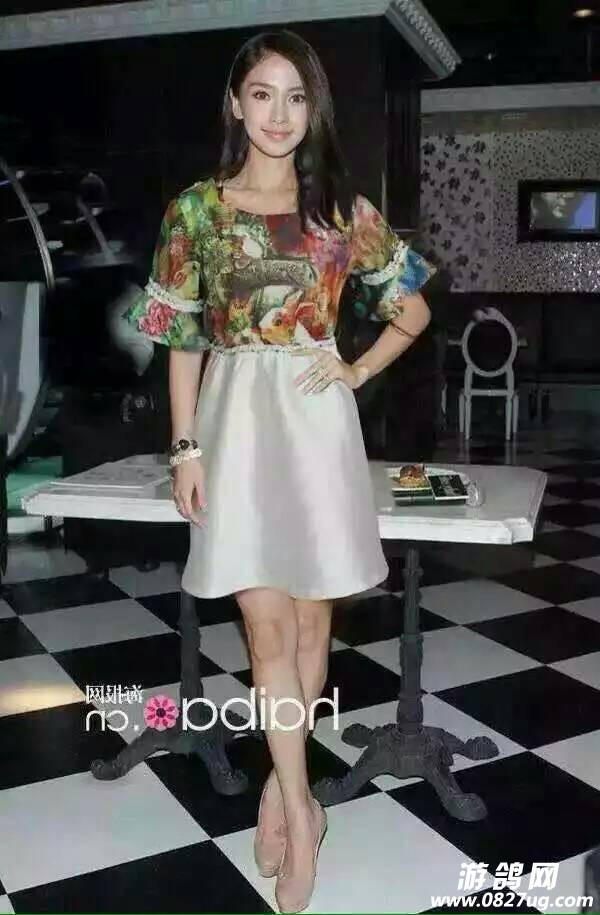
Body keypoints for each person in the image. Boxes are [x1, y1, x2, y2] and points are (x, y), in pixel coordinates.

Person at [123, 29, 434, 913]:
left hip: (315, 425)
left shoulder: (338, 206)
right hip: (233, 425)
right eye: (262, 94)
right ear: (236, 103)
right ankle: (301, 810)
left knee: (307, 631)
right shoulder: (195, 211)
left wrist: (355, 369)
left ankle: (278, 784)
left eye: (296, 97)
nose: (279, 114)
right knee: (263, 634)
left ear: (314, 109)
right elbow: (182, 341)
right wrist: (185, 447)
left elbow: (411, 309)